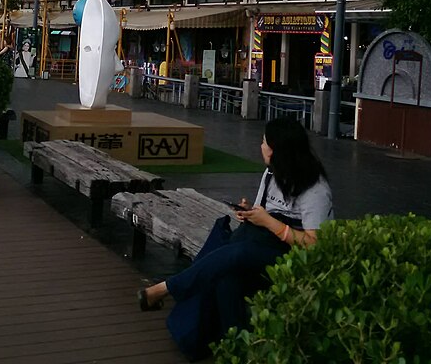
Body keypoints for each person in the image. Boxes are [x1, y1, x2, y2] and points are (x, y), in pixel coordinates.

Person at [138, 117, 334, 361]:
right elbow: (265, 212)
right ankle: (237, 350)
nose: (261, 146)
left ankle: (166, 288)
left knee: (236, 255)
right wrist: (250, 212)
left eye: (264, 143)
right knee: (226, 275)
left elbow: (315, 245)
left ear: (278, 151)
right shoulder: (272, 174)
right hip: (260, 245)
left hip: (293, 258)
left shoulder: (315, 189)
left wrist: (269, 223)